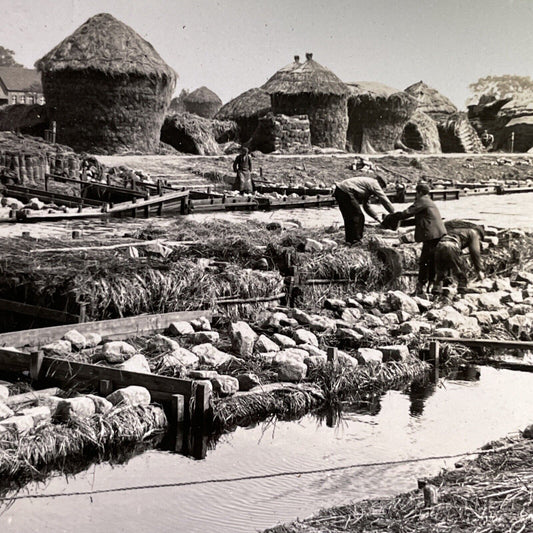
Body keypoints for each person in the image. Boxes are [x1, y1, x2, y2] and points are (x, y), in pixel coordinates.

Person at [393, 182, 447, 295]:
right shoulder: (428, 201)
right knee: (431, 260)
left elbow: (407, 213)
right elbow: (417, 220)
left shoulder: (422, 201)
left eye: (416, 193)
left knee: (425, 261)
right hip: (436, 233)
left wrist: (392, 217)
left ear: (420, 192)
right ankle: (431, 285)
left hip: (432, 234)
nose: (415, 196)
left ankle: (422, 286)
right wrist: (400, 223)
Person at [334, 175, 395, 244]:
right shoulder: (374, 183)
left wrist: (377, 218)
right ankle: (356, 241)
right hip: (346, 191)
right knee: (358, 216)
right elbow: (384, 199)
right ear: (381, 183)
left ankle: (349, 241)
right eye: (382, 187)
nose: (381, 188)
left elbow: (366, 206)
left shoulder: (365, 186)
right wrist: (394, 213)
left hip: (339, 190)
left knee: (349, 217)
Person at [433, 221, 485, 295]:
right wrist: (479, 270)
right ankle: (462, 289)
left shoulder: (458, 230)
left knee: (440, 271)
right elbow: (475, 252)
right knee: (460, 269)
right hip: (451, 246)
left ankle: (436, 291)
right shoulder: (474, 233)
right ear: (480, 234)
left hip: (439, 246)